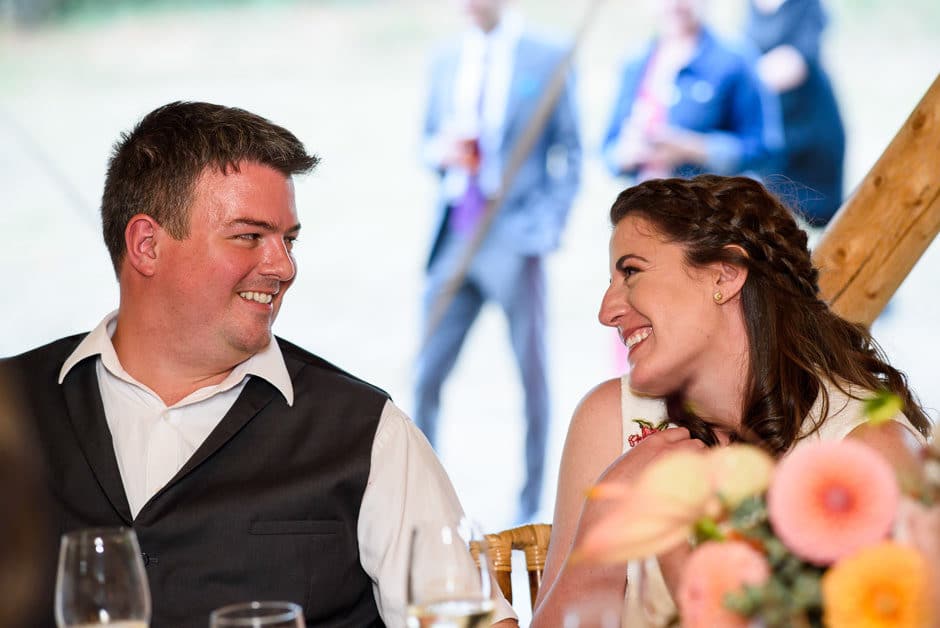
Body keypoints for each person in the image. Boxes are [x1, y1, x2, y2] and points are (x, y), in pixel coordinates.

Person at [2, 101, 518, 628]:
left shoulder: (364, 432)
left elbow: (472, 622)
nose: (283, 267)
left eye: (288, 240)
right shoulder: (11, 410)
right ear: (147, 245)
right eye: (249, 236)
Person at [531, 175, 930, 626]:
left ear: (725, 274)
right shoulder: (610, 419)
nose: (606, 311)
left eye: (632, 272)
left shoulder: (869, 455)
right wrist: (603, 514)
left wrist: (672, 551)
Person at [417, 0, 581, 523]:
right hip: (454, 233)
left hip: (515, 236)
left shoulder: (547, 54)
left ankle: (531, 506)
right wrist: (439, 151)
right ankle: (421, 502)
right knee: (424, 375)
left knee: (530, 377)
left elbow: (570, 151)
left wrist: (545, 226)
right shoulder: (445, 59)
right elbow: (424, 142)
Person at [602, 0, 781, 183]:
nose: (674, 4)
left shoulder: (736, 59)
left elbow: (764, 150)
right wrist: (627, 153)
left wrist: (693, 149)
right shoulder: (635, 63)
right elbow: (608, 150)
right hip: (647, 201)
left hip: (710, 204)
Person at [745, 0, 846, 228]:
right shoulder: (750, 5)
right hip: (772, 132)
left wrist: (738, 83)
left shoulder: (806, 5)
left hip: (810, 131)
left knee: (821, 222)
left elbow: (794, 64)